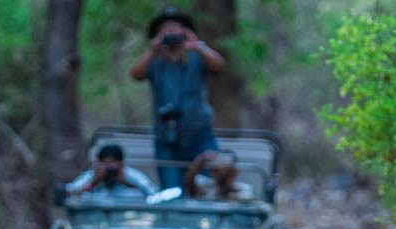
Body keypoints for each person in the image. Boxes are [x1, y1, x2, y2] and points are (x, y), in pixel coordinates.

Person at [129, 7, 226, 190]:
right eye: (166, 29)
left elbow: (220, 66)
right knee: (172, 191)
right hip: (166, 137)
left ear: (186, 31)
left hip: (200, 135)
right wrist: (152, 51)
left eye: (176, 27)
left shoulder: (197, 57)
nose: (171, 32)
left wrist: (198, 46)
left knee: (208, 187)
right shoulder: (155, 61)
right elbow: (135, 74)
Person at [65, 144, 158, 197]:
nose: (109, 169)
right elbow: (69, 193)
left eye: (113, 164)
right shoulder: (91, 176)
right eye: (105, 164)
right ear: (98, 163)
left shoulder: (133, 176)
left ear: (121, 163)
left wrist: (126, 182)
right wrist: (94, 183)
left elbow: (154, 195)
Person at [183, 151, 254, 201]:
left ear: (234, 173)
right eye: (217, 171)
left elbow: (248, 197)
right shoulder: (205, 185)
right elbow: (189, 181)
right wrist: (200, 160)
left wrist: (229, 193)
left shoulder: (244, 189)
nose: (222, 174)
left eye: (227, 171)